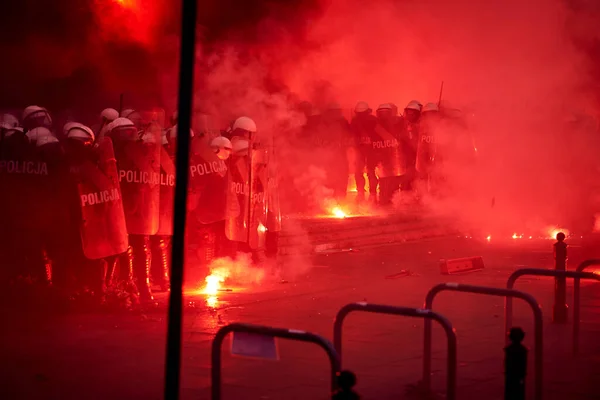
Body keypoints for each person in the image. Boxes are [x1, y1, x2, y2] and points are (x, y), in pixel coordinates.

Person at [374, 103, 405, 206]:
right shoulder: (375, 126)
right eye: (382, 113)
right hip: (382, 158)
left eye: (386, 113)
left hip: (393, 158)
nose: (384, 115)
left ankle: (391, 200)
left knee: (393, 180)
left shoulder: (397, 124)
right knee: (383, 180)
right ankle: (383, 201)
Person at [350, 102, 378, 202]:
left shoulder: (374, 121)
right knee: (360, 172)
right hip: (361, 151)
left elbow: (379, 135)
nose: (361, 116)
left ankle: (372, 194)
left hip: (371, 151)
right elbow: (351, 135)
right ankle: (363, 193)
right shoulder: (355, 121)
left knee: (370, 172)